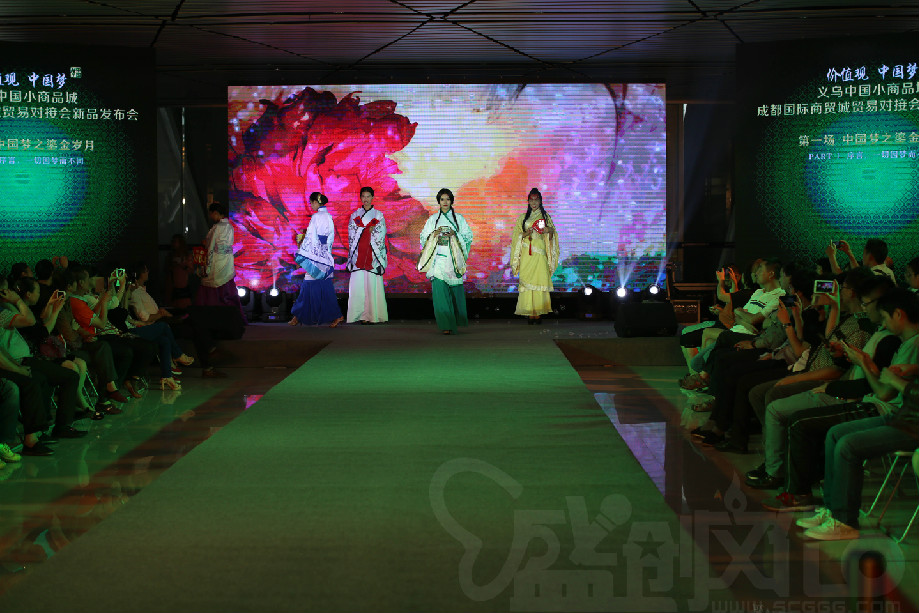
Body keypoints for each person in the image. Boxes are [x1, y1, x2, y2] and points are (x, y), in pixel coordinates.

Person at [417, 188, 474, 335]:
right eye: (442, 199)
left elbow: (468, 236)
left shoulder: (459, 219)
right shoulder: (433, 219)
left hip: (453, 259)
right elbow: (423, 237)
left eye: (448, 199)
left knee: (454, 293)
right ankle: (445, 325)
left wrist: (455, 235)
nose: (445, 202)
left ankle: (455, 321)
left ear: (451, 201)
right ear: (439, 201)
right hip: (438, 259)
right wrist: (433, 235)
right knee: (440, 295)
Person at [289, 192, 344, 327]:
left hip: (315, 255)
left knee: (309, 286)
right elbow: (330, 238)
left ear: (315, 202)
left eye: (311, 203)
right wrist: (326, 253)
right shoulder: (329, 217)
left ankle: (299, 316)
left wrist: (302, 257)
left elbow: (310, 238)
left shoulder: (315, 217)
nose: (311, 205)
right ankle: (334, 316)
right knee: (324, 287)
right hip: (324, 254)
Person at [510, 188, 559, 324]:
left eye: (536, 200)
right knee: (527, 280)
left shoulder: (545, 217)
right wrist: (525, 233)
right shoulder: (523, 218)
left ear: (540, 201)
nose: (534, 203)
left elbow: (552, 236)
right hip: (527, 253)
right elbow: (516, 236)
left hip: (540, 253)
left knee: (539, 280)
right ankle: (529, 312)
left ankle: (538, 312)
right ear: (528, 201)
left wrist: (548, 230)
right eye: (531, 200)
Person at [345, 187, 388, 324]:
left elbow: (381, 233)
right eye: (363, 196)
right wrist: (366, 229)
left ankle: (373, 315)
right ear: (360, 198)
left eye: (368, 196)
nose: (366, 199)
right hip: (359, 254)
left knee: (372, 286)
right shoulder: (355, 215)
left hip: (372, 256)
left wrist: (370, 231)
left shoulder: (378, 215)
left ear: (373, 198)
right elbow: (351, 232)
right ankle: (359, 315)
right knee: (358, 286)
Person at [196, 201, 244, 320]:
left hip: (217, 261)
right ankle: (231, 318)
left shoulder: (217, 228)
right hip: (227, 261)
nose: (211, 217)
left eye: (211, 214)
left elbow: (211, 247)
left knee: (211, 286)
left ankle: (213, 318)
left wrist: (207, 266)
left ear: (216, 213)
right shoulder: (230, 227)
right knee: (227, 288)